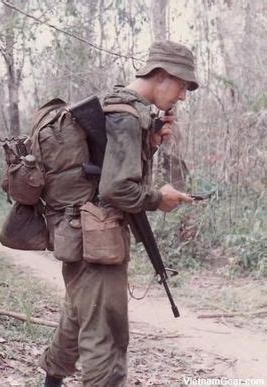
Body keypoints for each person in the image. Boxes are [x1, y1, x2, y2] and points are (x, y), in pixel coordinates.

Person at [39, 40, 199, 386]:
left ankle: (51, 380)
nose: (183, 95)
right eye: (182, 85)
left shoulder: (117, 104)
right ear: (161, 75)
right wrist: (159, 198)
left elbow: (106, 176)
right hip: (95, 239)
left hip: (80, 232)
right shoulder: (126, 115)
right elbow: (116, 189)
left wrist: (151, 145)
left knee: (80, 312)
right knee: (107, 337)